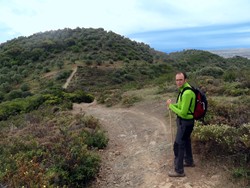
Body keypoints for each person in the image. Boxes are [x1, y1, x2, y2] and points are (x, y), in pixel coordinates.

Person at [166, 72, 196, 177]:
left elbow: (183, 112)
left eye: (180, 80)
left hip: (185, 123)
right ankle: (189, 161)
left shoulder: (187, 93)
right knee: (186, 142)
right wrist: (173, 105)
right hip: (186, 122)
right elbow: (180, 105)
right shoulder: (184, 90)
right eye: (177, 80)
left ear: (185, 80)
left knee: (179, 145)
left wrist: (170, 106)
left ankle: (179, 171)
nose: (178, 82)